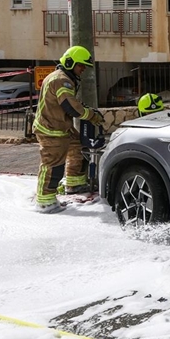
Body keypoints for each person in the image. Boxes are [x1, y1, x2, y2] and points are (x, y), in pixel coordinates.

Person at [33, 45, 103, 213]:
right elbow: (71, 107)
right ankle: (45, 202)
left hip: (60, 126)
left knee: (78, 146)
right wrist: (91, 115)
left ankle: (74, 183)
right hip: (51, 129)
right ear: (70, 63)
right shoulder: (61, 80)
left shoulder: (63, 78)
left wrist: (86, 110)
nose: (83, 69)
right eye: (81, 65)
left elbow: (70, 103)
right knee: (53, 164)